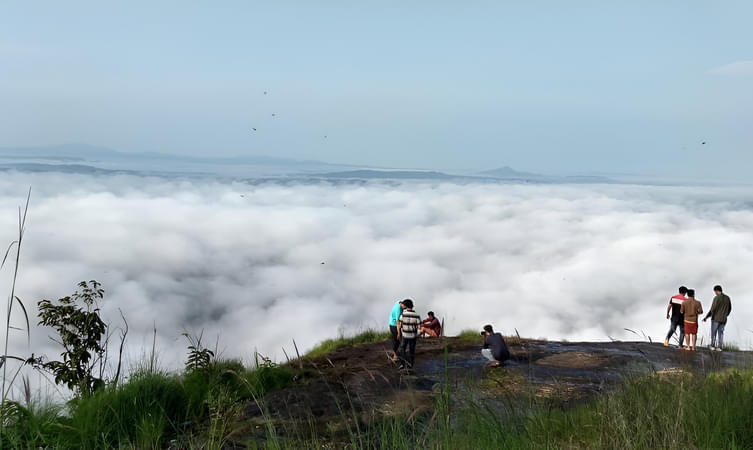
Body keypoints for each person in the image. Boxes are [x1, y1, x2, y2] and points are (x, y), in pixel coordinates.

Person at [703, 285, 732, 352]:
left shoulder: (716, 298)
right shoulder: (727, 298)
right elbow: (730, 308)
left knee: (714, 332)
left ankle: (712, 346)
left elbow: (713, 309)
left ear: (716, 290)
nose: (715, 293)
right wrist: (725, 315)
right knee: (721, 333)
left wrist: (706, 317)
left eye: (715, 291)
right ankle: (720, 347)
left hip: (716, 318)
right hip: (724, 319)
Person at [397, 299, 421, 370]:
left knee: (402, 349)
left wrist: (399, 333)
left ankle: (402, 364)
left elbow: (399, 324)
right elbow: (419, 327)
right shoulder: (417, 315)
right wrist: (417, 334)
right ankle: (410, 365)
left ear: (406, 306)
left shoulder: (403, 314)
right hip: (413, 336)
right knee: (412, 350)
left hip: (405, 335)